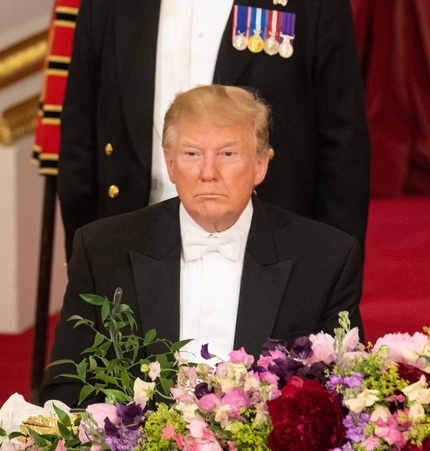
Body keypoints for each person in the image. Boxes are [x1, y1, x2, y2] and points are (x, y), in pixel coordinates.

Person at [41, 85, 364, 407]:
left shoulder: (326, 258)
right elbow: (68, 384)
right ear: (170, 164)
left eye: (227, 154)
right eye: (192, 154)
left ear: (260, 165)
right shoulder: (102, 249)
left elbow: (346, 390)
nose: (208, 173)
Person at [57, 0, 370, 261]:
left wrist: (333, 275)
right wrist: (88, 268)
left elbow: (342, 144)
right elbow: (80, 137)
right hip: (136, 247)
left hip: (270, 254)